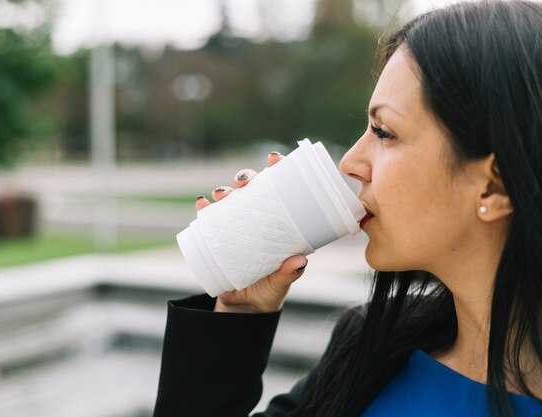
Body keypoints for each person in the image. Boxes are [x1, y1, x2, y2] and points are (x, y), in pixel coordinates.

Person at [153, 1, 542, 416]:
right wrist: (239, 310)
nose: (351, 163)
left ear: (493, 186)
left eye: (384, 132)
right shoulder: (369, 348)